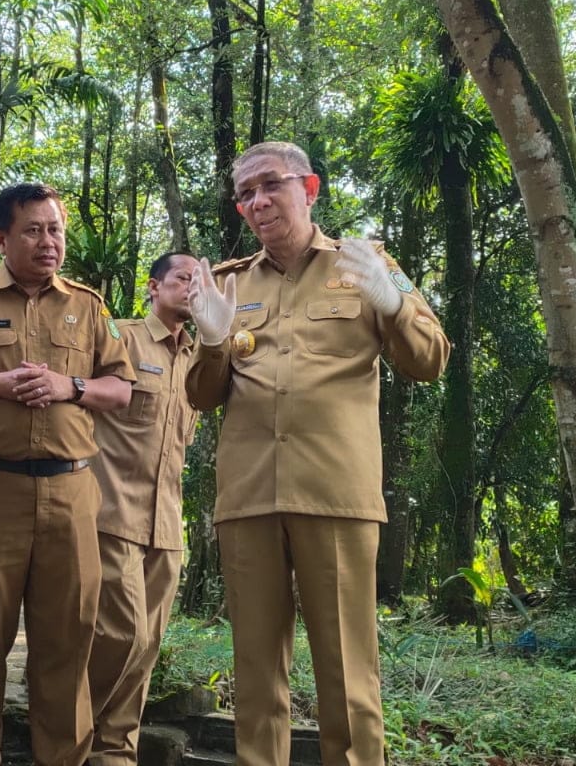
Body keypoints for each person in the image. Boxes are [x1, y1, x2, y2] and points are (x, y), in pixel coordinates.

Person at [185, 141, 450, 766]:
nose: (256, 201)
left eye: (269, 185)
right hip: (249, 494)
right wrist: (213, 338)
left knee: (347, 670)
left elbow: (431, 360)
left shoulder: (368, 264)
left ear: (309, 188)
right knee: (255, 671)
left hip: (335, 491)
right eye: (245, 194)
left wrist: (394, 304)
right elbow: (201, 395)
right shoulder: (228, 281)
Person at [0, 183, 135, 766]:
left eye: (56, 230)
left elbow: (120, 388)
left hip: (71, 493)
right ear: (1, 237)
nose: (49, 242)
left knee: (67, 645)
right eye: (33, 230)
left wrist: (68, 386)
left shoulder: (89, 306)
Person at [87, 252, 201, 766]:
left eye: (200, 281)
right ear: (153, 287)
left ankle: (116, 752)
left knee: (147, 644)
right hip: (111, 511)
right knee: (121, 633)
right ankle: (69, 734)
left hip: (167, 524)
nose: (192, 288)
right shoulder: (122, 338)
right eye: (182, 278)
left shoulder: (200, 359)